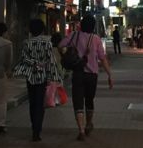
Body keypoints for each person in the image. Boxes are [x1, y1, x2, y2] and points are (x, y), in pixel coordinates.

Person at [59, 12, 113, 141]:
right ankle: (89, 123)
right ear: (93, 27)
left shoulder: (73, 35)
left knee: (78, 102)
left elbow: (61, 45)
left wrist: (66, 56)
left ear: (81, 25)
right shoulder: (96, 39)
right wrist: (109, 75)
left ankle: (81, 130)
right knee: (89, 100)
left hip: (78, 73)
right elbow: (102, 58)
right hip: (92, 75)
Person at [17, 18, 62, 141]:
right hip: (43, 77)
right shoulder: (47, 43)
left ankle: (34, 126)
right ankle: (37, 129)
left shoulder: (26, 43)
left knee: (32, 102)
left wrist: (34, 63)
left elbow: (24, 59)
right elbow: (50, 61)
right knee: (40, 103)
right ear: (42, 29)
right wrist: (54, 77)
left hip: (31, 76)